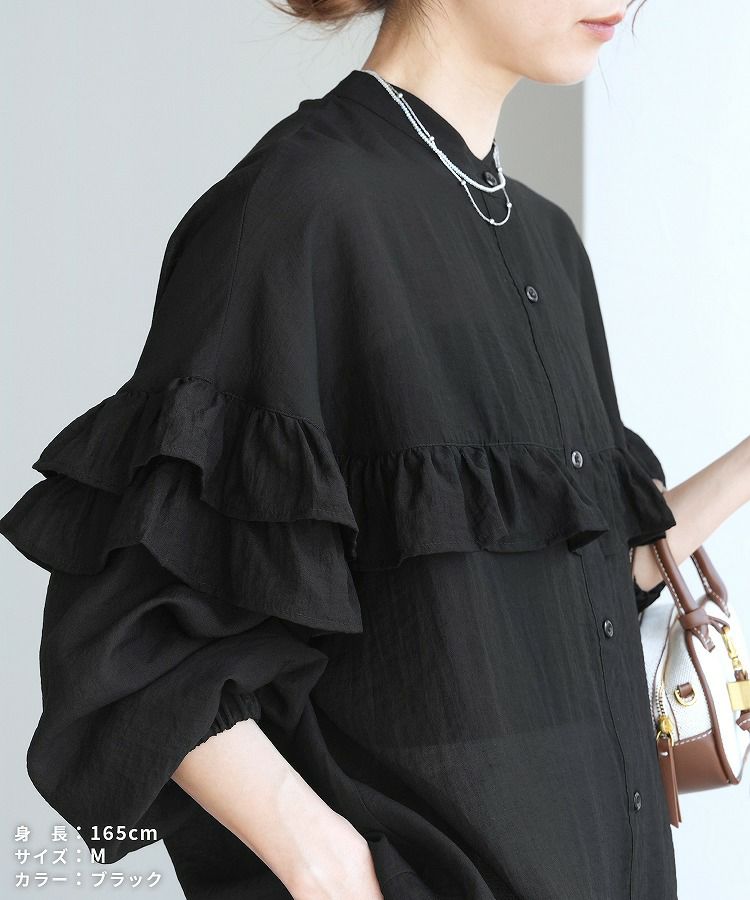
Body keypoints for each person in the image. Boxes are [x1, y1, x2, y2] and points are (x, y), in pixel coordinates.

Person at [3, 2, 750, 898]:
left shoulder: (551, 245)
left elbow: (582, 585)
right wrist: (324, 861)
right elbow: (131, 637)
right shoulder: (303, 208)